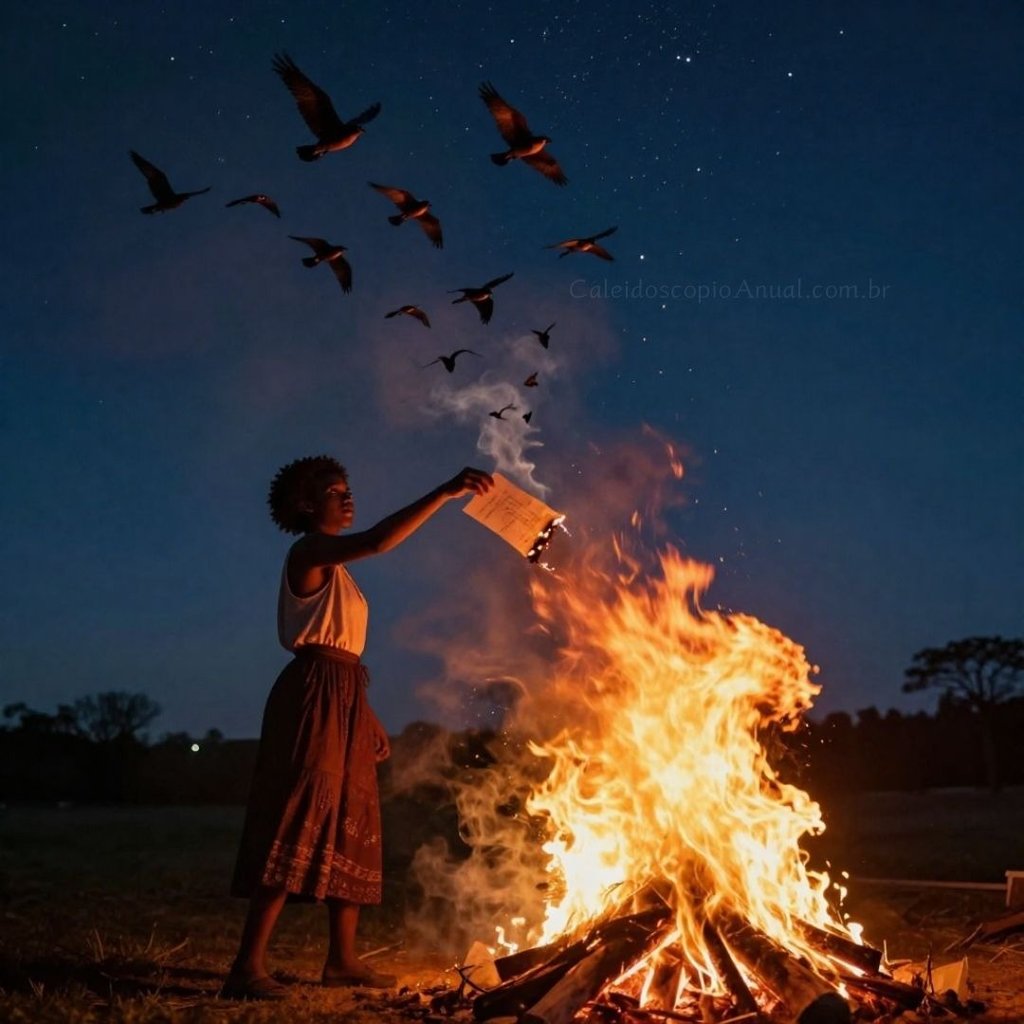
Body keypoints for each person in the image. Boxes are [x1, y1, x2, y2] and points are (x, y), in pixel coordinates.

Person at [221, 455, 493, 1001]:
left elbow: (343, 647)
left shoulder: (338, 574)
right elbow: (376, 542)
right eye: (334, 491)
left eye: (348, 489)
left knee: (352, 814)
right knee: (301, 811)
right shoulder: (308, 553)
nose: (347, 498)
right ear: (306, 505)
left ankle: (342, 961)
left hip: (343, 691)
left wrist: (363, 713)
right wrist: (442, 491)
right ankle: (246, 968)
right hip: (314, 692)